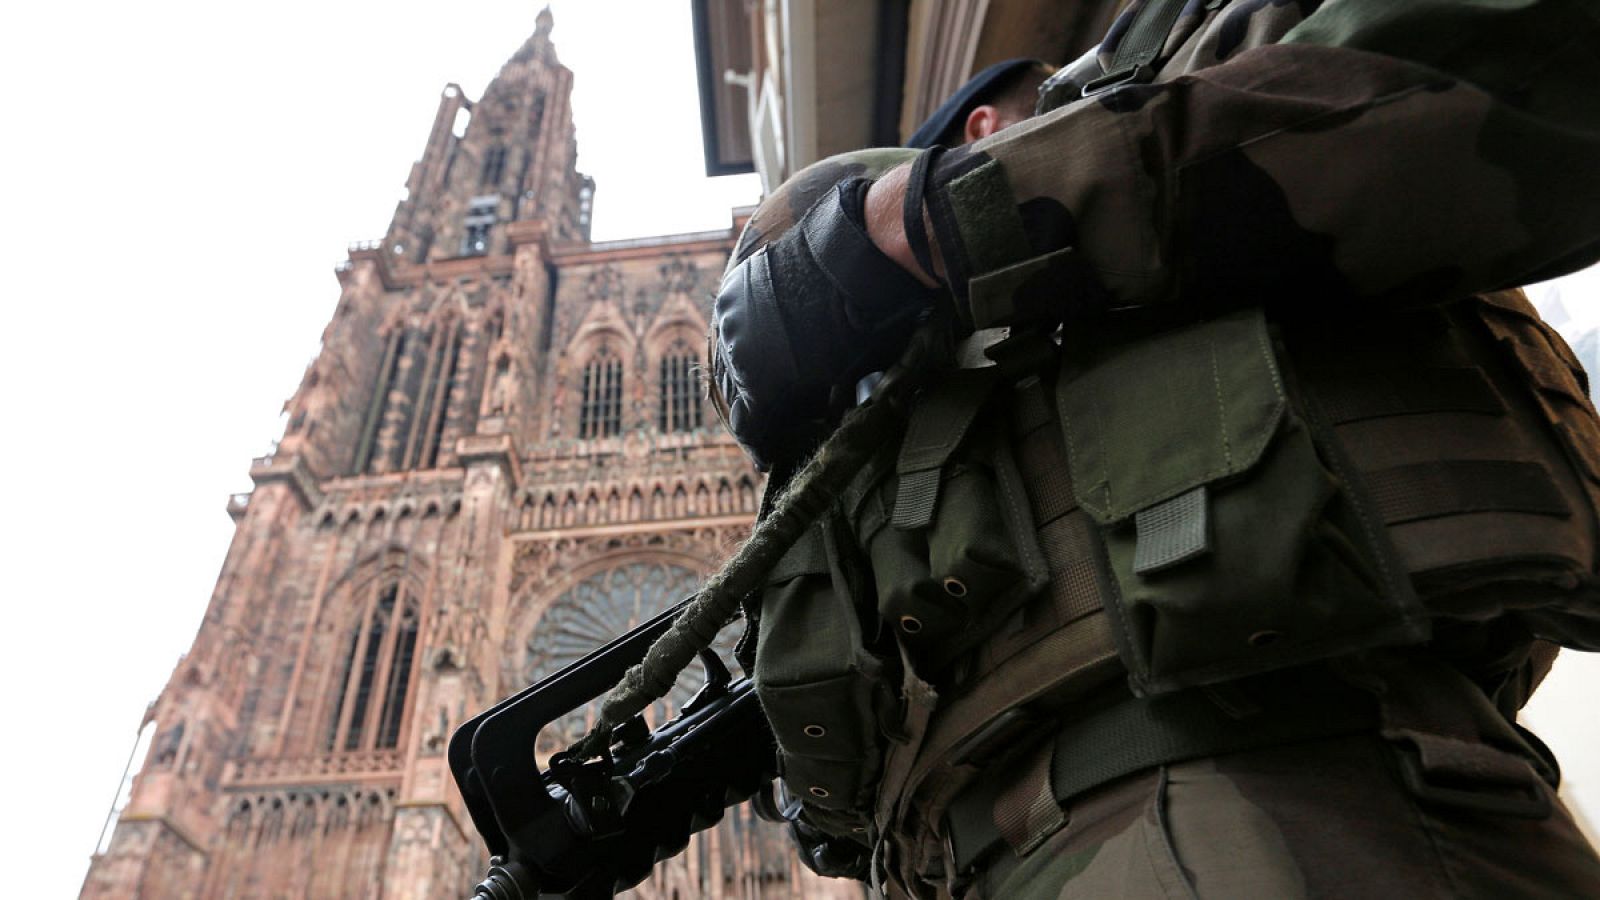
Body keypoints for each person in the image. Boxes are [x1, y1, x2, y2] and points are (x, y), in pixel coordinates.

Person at [710, 0, 1600, 897]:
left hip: (1254, 793)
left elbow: (1512, 66)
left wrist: (935, 225)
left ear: (985, 130)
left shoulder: (1180, 71)